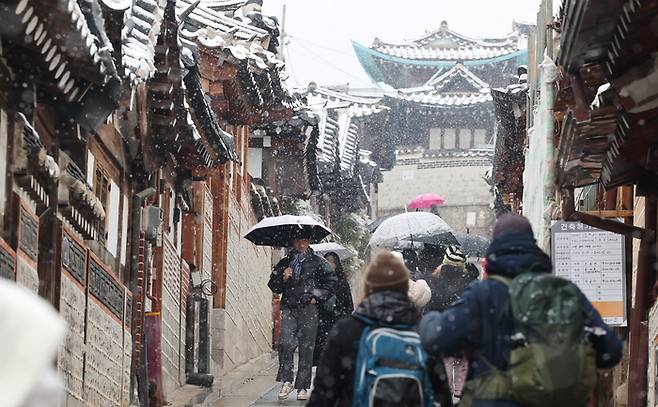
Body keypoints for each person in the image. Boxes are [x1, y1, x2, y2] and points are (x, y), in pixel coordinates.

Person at [420, 214, 623, 407]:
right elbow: (611, 351)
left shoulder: (484, 295)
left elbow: (437, 340)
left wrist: (430, 319)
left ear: (495, 246)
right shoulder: (564, 291)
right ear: (532, 243)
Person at [309, 251, 451, 407]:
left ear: (369, 285)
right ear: (405, 286)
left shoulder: (348, 330)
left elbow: (324, 393)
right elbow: (442, 395)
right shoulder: (422, 332)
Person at [268, 236, 337, 401]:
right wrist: (283, 277)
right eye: (298, 241)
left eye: (304, 241)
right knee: (285, 343)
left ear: (309, 242)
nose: (301, 244)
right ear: (293, 242)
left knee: (307, 348)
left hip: (309, 309)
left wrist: (316, 297)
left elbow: (332, 283)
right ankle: (286, 380)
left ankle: (303, 386)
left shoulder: (319, 262)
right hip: (290, 308)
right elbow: (273, 286)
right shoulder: (285, 262)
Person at [425, 245, 478, 404]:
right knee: (462, 366)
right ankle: (459, 396)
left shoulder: (434, 280)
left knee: (446, 366)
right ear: (462, 264)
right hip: (463, 332)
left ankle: (446, 397)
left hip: (442, 332)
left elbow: (430, 309)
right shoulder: (468, 281)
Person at [313, 252, 355, 367]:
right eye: (326, 261)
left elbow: (349, 305)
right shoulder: (318, 281)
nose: (329, 264)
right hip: (321, 323)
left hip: (338, 322)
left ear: (337, 264)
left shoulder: (342, 283)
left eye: (332, 261)